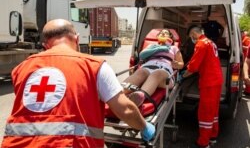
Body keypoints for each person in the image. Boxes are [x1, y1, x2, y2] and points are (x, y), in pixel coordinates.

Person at [1, 19, 155, 148]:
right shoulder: (94, 65)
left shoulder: (21, 68)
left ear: (45, 45)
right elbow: (126, 109)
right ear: (77, 39)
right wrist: (144, 126)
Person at [182, 26, 223, 148]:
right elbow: (199, 60)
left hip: (209, 82)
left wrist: (182, 76)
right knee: (213, 110)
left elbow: (193, 67)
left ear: (194, 33)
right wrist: (187, 65)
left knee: (205, 111)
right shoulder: (210, 42)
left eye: (191, 36)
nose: (191, 39)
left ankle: (203, 142)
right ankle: (213, 136)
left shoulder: (200, 44)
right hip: (217, 80)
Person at [123, 29, 184, 107]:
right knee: (140, 72)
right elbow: (142, 55)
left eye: (166, 33)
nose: (163, 34)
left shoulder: (174, 48)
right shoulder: (151, 46)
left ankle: (139, 97)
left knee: (157, 73)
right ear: (158, 37)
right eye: (161, 33)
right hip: (148, 67)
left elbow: (181, 64)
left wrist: (176, 64)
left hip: (164, 72)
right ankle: (117, 93)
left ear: (170, 38)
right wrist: (159, 48)